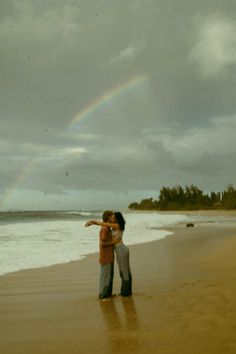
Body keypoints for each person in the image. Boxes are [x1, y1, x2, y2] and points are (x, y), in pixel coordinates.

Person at [85, 211, 132, 297]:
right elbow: (104, 225)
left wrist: (92, 222)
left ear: (117, 219)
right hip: (119, 250)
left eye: (114, 217)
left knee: (124, 271)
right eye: (112, 217)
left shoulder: (117, 225)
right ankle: (126, 291)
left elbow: (102, 223)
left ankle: (126, 292)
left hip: (121, 249)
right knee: (123, 271)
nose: (112, 218)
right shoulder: (113, 227)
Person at [95, 210, 117, 300]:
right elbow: (102, 244)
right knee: (105, 276)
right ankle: (103, 296)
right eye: (112, 216)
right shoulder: (104, 229)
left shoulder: (108, 228)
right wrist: (113, 242)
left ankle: (108, 294)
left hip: (109, 257)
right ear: (108, 217)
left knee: (109, 276)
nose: (113, 218)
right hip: (105, 257)